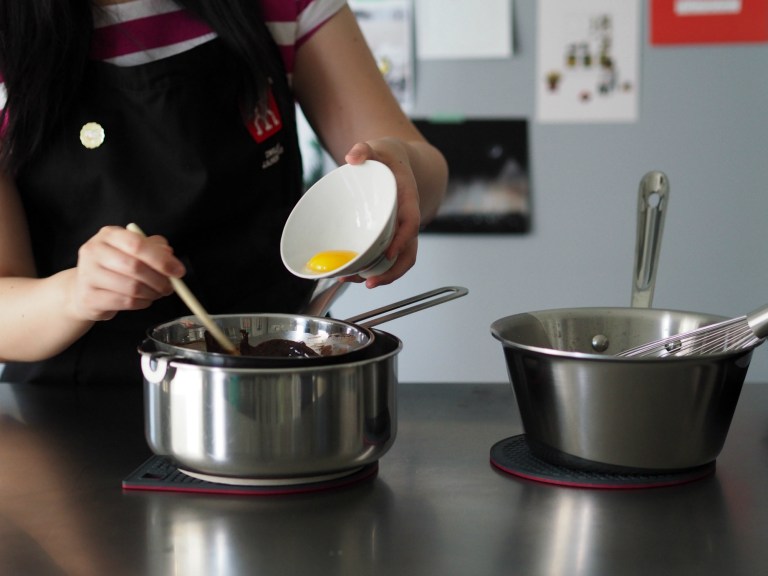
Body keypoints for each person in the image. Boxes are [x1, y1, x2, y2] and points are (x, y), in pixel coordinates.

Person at [0, 0, 448, 386]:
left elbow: (420, 167)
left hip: (274, 389)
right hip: (72, 419)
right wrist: (77, 292)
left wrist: (399, 171)